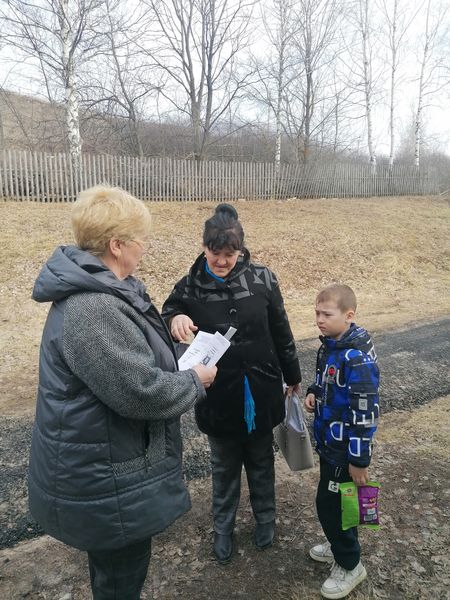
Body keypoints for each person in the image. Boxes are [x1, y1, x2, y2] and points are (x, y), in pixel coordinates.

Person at [28, 185, 217, 600]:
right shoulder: (93, 309)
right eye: (140, 239)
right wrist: (194, 380)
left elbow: (129, 362)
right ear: (116, 245)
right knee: (119, 581)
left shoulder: (107, 293)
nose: (144, 247)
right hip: (107, 481)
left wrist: (177, 354)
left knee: (116, 576)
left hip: (106, 468)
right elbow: (138, 392)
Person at [161, 203, 301, 564]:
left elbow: (281, 330)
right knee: (223, 468)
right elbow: (166, 314)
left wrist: (293, 376)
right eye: (215, 253)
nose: (222, 261)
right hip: (218, 397)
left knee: (261, 462)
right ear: (204, 247)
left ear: (240, 249)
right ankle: (223, 528)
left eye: (230, 254)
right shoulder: (190, 285)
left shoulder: (263, 279)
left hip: (262, 389)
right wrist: (176, 319)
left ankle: (265, 520)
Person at [304, 283, 380, 599]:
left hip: (346, 451)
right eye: (317, 313)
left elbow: (365, 413)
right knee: (336, 502)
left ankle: (350, 565)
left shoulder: (357, 358)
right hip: (329, 445)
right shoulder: (330, 347)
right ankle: (338, 544)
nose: (319, 320)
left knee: (333, 506)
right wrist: (314, 391)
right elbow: (326, 382)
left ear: (349, 315)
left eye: (327, 314)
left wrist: (359, 460)